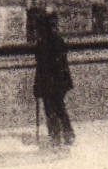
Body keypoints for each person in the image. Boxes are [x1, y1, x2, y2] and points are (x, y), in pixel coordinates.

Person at [32, 9, 75, 147]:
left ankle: (55, 135)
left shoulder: (44, 43)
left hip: (50, 82)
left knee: (51, 109)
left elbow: (42, 66)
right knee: (60, 107)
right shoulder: (58, 40)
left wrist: (38, 86)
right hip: (60, 81)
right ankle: (68, 134)